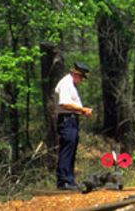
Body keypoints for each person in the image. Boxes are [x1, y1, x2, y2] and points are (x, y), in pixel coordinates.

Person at [55, 62, 93, 190]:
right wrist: (82, 110)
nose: (81, 80)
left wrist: (81, 111)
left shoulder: (71, 84)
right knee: (66, 150)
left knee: (71, 150)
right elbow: (64, 103)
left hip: (71, 120)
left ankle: (69, 180)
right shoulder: (66, 83)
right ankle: (64, 181)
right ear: (76, 74)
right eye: (81, 77)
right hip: (66, 120)